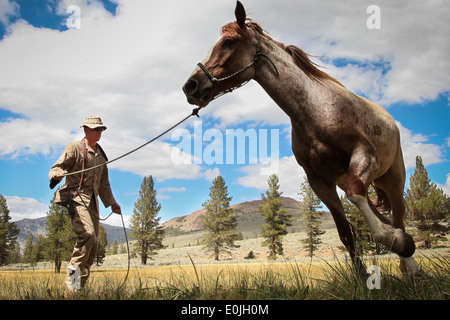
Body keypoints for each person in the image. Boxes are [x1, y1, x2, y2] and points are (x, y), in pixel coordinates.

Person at [49, 115, 121, 289]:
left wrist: (112, 203)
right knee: (88, 234)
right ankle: (73, 283)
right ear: (86, 130)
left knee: (94, 243)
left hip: (93, 202)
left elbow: (104, 184)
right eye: (96, 129)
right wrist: (57, 175)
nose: (99, 133)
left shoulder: (101, 156)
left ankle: (79, 288)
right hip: (76, 197)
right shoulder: (74, 148)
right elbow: (57, 167)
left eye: (101, 130)